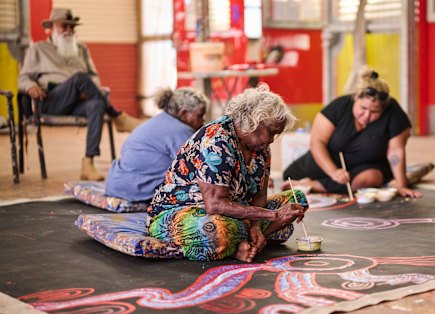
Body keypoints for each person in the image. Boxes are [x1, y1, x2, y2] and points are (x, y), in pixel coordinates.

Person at [147, 84, 307, 263]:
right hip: (185, 211)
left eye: (275, 135)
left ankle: (245, 239)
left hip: (236, 211)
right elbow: (214, 205)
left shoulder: (260, 148)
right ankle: (234, 245)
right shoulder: (217, 140)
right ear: (252, 122)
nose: (271, 140)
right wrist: (274, 216)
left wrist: (256, 226)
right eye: (270, 132)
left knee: (296, 200)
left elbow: (260, 195)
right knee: (215, 230)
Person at [18, 8, 143, 181]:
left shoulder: (81, 50)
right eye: (64, 26)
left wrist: (89, 90)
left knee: (97, 104)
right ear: (52, 27)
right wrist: (31, 86)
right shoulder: (37, 49)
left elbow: (94, 78)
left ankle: (88, 163)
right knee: (79, 78)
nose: (69, 30)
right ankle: (117, 116)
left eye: (72, 27)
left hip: (78, 100)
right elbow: (23, 78)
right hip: (50, 100)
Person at [283, 68, 422, 198]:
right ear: (356, 98)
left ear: (383, 108)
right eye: (363, 108)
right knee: (289, 176)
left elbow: (396, 152)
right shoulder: (339, 106)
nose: (366, 115)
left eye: (374, 112)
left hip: (368, 167)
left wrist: (402, 186)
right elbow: (317, 142)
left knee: (369, 179)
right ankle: (312, 182)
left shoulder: (393, 112)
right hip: (327, 163)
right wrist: (333, 172)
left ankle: (313, 185)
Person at [105, 88, 209, 202]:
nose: (203, 121)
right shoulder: (180, 130)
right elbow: (196, 167)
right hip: (137, 189)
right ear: (183, 113)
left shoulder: (158, 121)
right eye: (200, 115)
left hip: (116, 184)